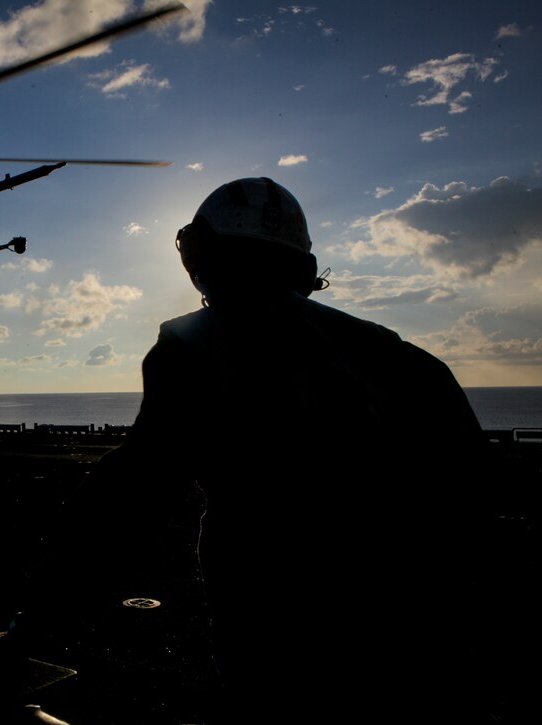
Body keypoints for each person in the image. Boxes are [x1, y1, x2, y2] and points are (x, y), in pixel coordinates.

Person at [62, 178, 493, 722]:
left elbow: (131, 495)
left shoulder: (189, 349)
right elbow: (474, 493)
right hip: (417, 624)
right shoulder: (399, 355)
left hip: (270, 620)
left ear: (200, 260)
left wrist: (35, 622)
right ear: (301, 264)